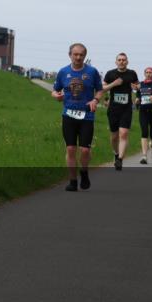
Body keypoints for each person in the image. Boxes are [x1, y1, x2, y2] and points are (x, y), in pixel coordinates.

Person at [52, 42, 104, 191]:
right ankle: (73, 181)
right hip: (68, 114)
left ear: (85, 56)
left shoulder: (92, 72)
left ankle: (84, 172)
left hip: (87, 116)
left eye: (81, 55)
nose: (78, 57)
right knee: (70, 149)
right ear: (70, 55)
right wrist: (57, 95)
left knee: (85, 150)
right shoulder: (63, 72)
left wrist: (95, 100)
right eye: (75, 54)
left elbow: (99, 90)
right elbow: (55, 90)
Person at [102, 53, 139, 171]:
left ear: (127, 62)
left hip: (126, 108)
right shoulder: (110, 73)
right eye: (119, 60)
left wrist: (136, 87)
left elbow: (138, 86)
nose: (122, 62)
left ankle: (120, 160)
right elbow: (102, 89)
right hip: (113, 108)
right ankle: (116, 153)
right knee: (114, 137)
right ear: (116, 62)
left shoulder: (132, 73)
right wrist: (114, 84)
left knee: (123, 133)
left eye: (124, 60)